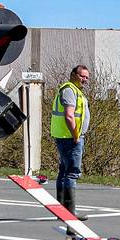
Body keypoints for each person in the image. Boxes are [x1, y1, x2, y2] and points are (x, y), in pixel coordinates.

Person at [50, 65, 91, 220]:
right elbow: (69, 116)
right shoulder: (69, 90)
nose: (85, 80)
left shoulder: (75, 91)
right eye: (82, 76)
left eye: (87, 77)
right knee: (72, 173)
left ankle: (61, 209)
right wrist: (75, 135)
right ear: (74, 75)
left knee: (64, 171)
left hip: (67, 136)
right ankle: (69, 212)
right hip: (70, 137)